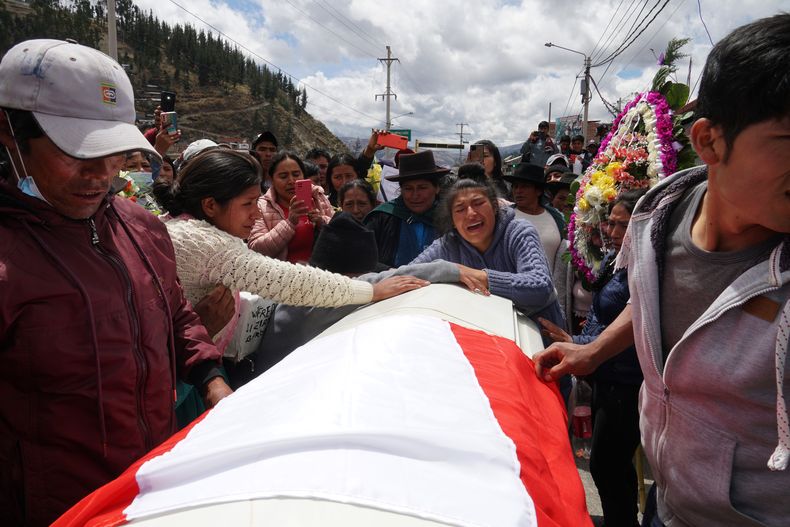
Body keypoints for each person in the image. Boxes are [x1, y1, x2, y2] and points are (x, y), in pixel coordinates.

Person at [535, 14, 790, 526]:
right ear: (710, 142)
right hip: (667, 503)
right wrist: (593, 351)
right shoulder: (656, 218)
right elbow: (650, 295)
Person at [0, 39, 231, 526]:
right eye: (76, 151)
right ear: (9, 133)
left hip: (149, 487)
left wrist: (211, 378)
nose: (101, 174)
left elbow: (174, 314)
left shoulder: (140, 227)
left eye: (113, 153)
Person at [154, 150, 428, 370]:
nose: (255, 214)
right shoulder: (207, 243)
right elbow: (292, 283)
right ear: (211, 205)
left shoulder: (184, 227)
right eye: (248, 204)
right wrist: (372, 290)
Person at [243, 212, 485, 380]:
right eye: (362, 275)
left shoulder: (307, 287)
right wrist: (450, 269)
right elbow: (373, 283)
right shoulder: (308, 299)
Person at [539, 188, 647, 527]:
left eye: (623, 225)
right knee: (611, 465)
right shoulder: (624, 259)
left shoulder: (648, 268)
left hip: (625, 380)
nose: (613, 234)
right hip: (608, 374)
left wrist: (580, 342)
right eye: (611, 224)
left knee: (607, 465)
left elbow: (631, 327)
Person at [410, 178, 566, 334]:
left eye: (478, 203)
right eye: (460, 209)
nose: (471, 213)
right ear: (452, 220)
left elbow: (540, 286)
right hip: (487, 336)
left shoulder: (519, 232)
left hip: (538, 337)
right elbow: (402, 274)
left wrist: (480, 276)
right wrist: (447, 270)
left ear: (495, 206)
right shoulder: (447, 244)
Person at [365, 150, 447, 268]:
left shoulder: (451, 219)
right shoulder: (381, 218)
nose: (415, 195)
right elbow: (363, 260)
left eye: (422, 187)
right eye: (408, 188)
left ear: (437, 188)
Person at [248, 151, 334, 263]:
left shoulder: (318, 196)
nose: (291, 181)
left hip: (320, 274)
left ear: (303, 175)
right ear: (271, 179)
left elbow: (338, 233)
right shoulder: (261, 206)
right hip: (282, 276)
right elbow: (256, 249)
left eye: (296, 174)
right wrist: (290, 223)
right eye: (283, 176)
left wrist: (321, 222)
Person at [502, 163, 566, 268]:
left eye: (524, 186)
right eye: (515, 186)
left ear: (539, 191)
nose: (518, 191)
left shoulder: (556, 217)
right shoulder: (505, 218)